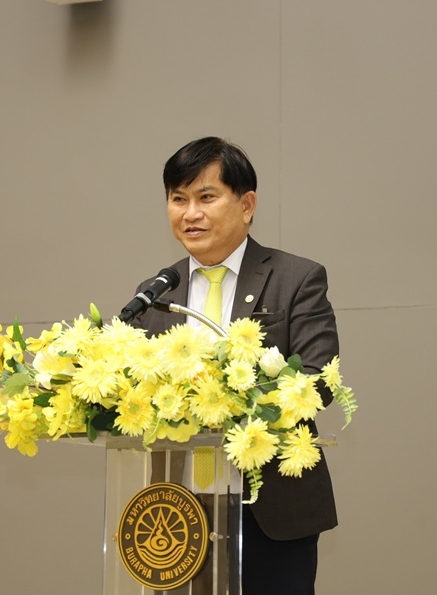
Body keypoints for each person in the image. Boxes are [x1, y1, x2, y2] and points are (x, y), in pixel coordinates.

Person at [130, 136, 339, 595]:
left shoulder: (296, 279)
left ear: (246, 205)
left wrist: (220, 394)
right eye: (178, 199)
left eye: (206, 197)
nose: (190, 213)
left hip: (271, 510)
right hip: (178, 506)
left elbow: (317, 380)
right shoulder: (157, 292)